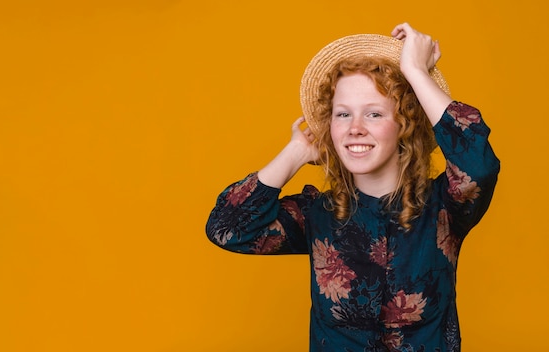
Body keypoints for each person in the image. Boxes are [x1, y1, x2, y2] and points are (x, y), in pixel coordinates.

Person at [205, 22, 499, 352]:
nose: (355, 128)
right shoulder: (316, 214)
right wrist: (296, 152)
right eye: (342, 115)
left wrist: (417, 73)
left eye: (374, 114)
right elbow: (226, 229)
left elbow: (478, 163)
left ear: (404, 125)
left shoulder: (445, 207)